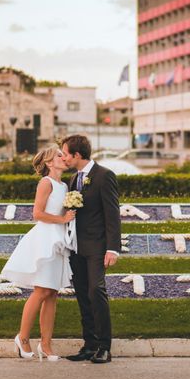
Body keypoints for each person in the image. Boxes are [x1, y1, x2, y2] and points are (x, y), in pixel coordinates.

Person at [1, 145, 76, 361]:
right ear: (50, 163)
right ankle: (23, 338)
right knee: (41, 291)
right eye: (59, 156)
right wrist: (62, 219)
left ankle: (46, 345)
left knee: (52, 293)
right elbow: (37, 213)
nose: (64, 158)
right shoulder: (46, 183)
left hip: (59, 239)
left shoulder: (64, 185)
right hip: (45, 239)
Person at [61, 134, 121, 364]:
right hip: (76, 246)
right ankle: (90, 344)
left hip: (97, 246)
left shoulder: (104, 176)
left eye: (66, 154)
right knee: (83, 295)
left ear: (77, 155)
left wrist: (112, 249)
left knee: (97, 291)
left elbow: (112, 215)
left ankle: (105, 346)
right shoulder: (73, 179)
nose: (64, 158)